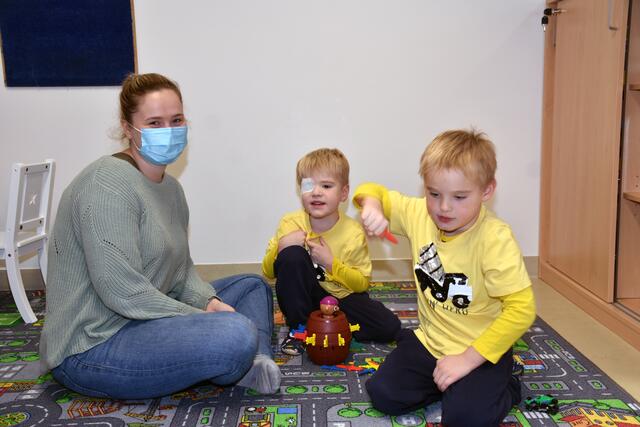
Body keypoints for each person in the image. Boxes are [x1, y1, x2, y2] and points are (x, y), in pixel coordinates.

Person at [39, 73, 281, 399]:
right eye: (154, 122)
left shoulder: (172, 189)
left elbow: (181, 272)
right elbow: (122, 292)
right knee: (236, 332)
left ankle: (253, 363)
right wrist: (200, 316)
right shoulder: (106, 183)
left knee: (252, 287)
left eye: (176, 120)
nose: (168, 131)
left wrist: (207, 301)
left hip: (146, 320)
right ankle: (239, 354)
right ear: (128, 129)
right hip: (94, 343)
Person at [354, 129, 536, 426]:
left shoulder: (495, 239)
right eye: (434, 194)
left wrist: (466, 360)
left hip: (479, 351)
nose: (444, 207)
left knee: (464, 419)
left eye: (460, 197)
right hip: (430, 342)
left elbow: (522, 309)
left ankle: (508, 385)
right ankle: (451, 385)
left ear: (487, 191)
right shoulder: (418, 213)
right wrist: (372, 206)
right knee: (383, 394)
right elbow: (370, 188)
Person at [262, 148, 400, 356]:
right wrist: (281, 245)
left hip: (342, 296)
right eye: (308, 185)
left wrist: (331, 263)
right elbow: (268, 272)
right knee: (292, 254)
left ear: (343, 193)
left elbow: (361, 283)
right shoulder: (290, 223)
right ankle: (299, 328)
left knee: (389, 326)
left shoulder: (353, 232)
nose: (316, 192)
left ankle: (334, 323)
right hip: (306, 295)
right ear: (300, 190)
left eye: (326, 186)